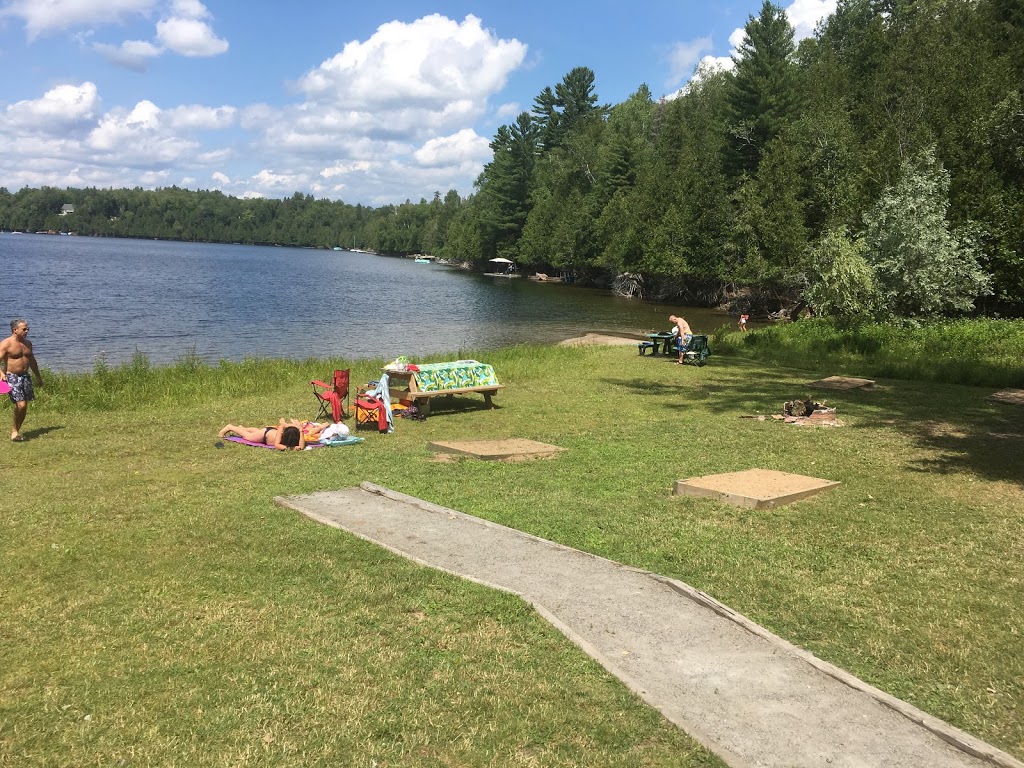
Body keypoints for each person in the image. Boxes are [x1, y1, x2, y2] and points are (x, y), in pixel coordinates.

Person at [1, 319, 43, 442]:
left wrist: (38, 377)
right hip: (12, 376)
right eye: (24, 329)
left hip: (25, 376)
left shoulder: (28, 344)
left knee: (24, 407)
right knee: (21, 404)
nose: (27, 331)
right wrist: (1, 373)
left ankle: (16, 431)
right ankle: (14, 431)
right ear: (15, 330)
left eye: (27, 328)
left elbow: (32, 361)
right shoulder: (6, 344)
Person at [218, 418, 306, 450]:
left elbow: (301, 446)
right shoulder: (281, 434)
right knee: (247, 436)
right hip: (265, 435)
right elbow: (276, 445)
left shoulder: (294, 435)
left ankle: (242, 428)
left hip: (267, 432)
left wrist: (301, 430)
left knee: (256, 431)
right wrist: (289, 448)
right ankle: (230, 427)